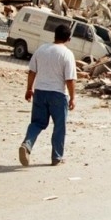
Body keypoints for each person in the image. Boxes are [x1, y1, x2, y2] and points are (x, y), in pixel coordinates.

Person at [19, 23, 77, 167]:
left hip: (40, 92)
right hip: (58, 94)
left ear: (55, 35)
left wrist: (29, 89)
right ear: (68, 38)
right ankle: (56, 157)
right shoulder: (67, 54)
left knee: (37, 123)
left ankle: (27, 144)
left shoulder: (41, 49)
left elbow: (32, 71)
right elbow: (69, 79)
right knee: (59, 126)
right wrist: (73, 97)